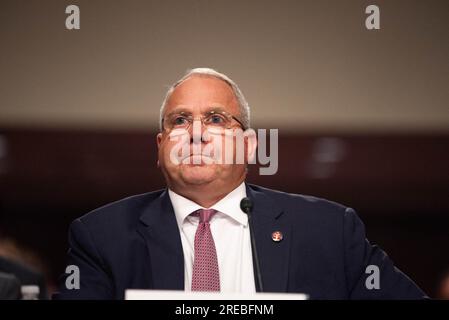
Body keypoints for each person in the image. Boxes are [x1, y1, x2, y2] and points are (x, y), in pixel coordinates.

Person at [56, 68, 427, 299]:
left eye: (215, 119)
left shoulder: (329, 231)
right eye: (180, 121)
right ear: (160, 146)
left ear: (249, 145)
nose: (196, 133)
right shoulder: (101, 237)